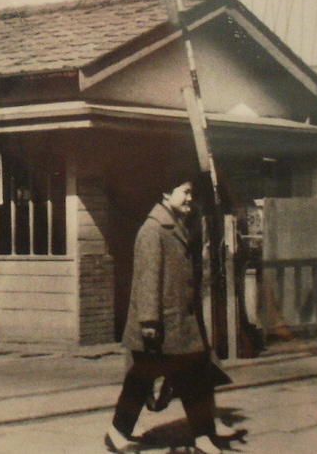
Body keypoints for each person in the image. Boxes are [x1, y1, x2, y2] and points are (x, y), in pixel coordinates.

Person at [106, 176, 242, 454]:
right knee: (140, 381)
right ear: (166, 193)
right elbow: (147, 280)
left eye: (191, 193)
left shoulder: (175, 226)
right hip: (159, 325)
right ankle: (118, 431)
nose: (190, 198)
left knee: (193, 379)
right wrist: (149, 322)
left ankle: (203, 435)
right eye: (186, 192)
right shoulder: (153, 230)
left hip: (178, 322)